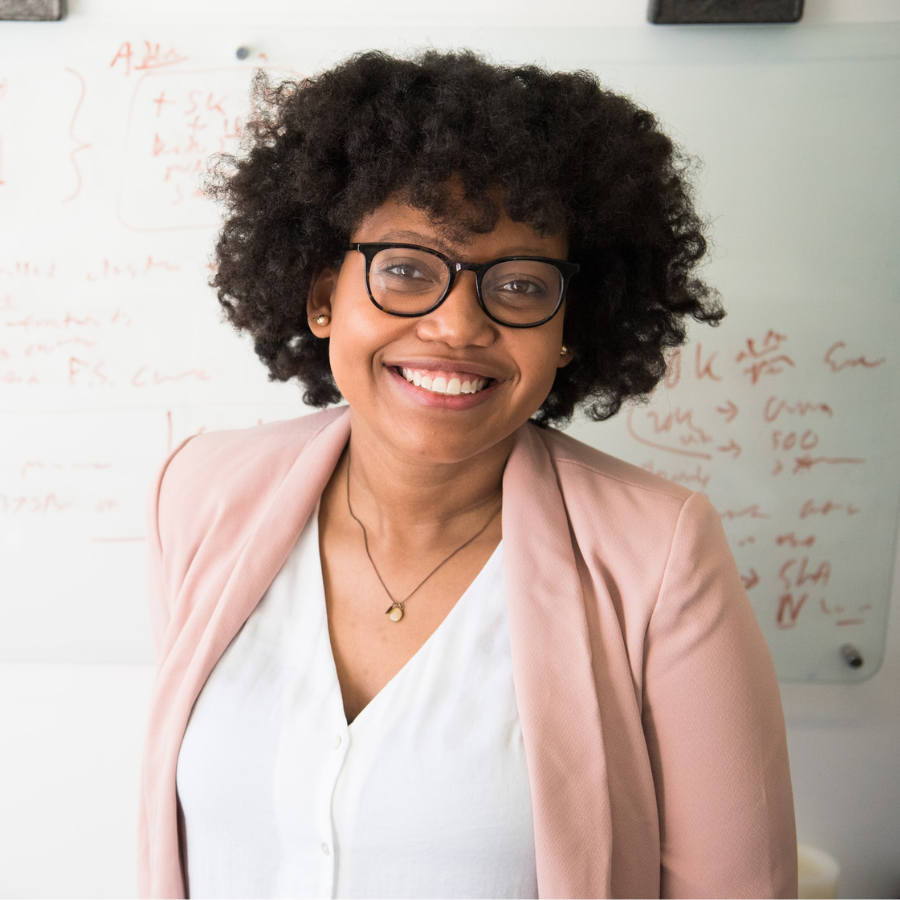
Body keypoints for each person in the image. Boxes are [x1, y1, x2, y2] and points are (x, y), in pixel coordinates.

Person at [139, 50, 797, 899]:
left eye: (520, 285)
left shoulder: (659, 555)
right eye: (408, 268)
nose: (456, 325)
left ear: (570, 328)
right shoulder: (198, 495)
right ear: (321, 293)